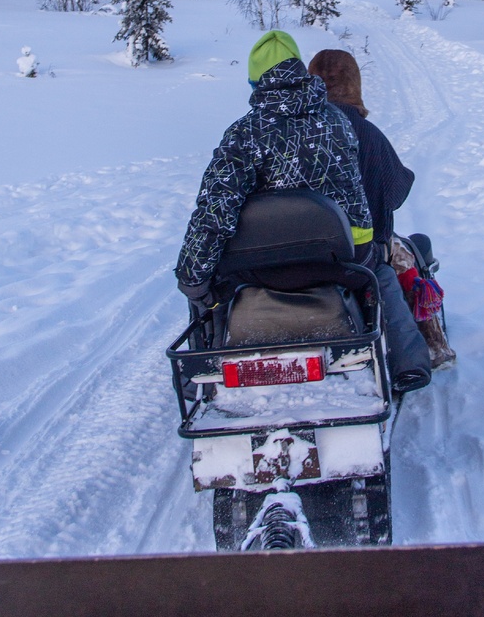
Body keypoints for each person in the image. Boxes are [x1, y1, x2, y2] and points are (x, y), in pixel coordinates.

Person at [175, 30, 431, 393]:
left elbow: (214, 213)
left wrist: (193, 278)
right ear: (301, 72)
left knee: (205, 290)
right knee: (382, 275)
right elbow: (356, 194)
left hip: (262, 270)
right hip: (340, 263)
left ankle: (200, 374)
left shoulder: (244, 134)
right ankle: (410, 361)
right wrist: (365, 247)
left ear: (255, 82)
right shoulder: (339, 122)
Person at [308, 49, 456, 369]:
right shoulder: (369, 134)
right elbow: (395, 192)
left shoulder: (297, 132)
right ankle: (433, 347)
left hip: (306, 246)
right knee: (404, 255)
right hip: (360, 250)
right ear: (354, 85)